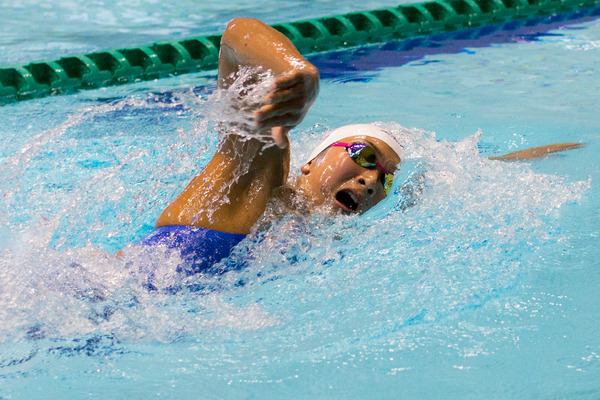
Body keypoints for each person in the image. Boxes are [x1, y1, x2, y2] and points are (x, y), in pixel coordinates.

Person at [128, 18, 583, 272]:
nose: (371, 180)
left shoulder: (314, 237)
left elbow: (459, 167)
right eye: (364, 157)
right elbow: (234, 37)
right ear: (310, 162)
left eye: (384, 177)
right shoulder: (260, 178)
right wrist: (299, 71)